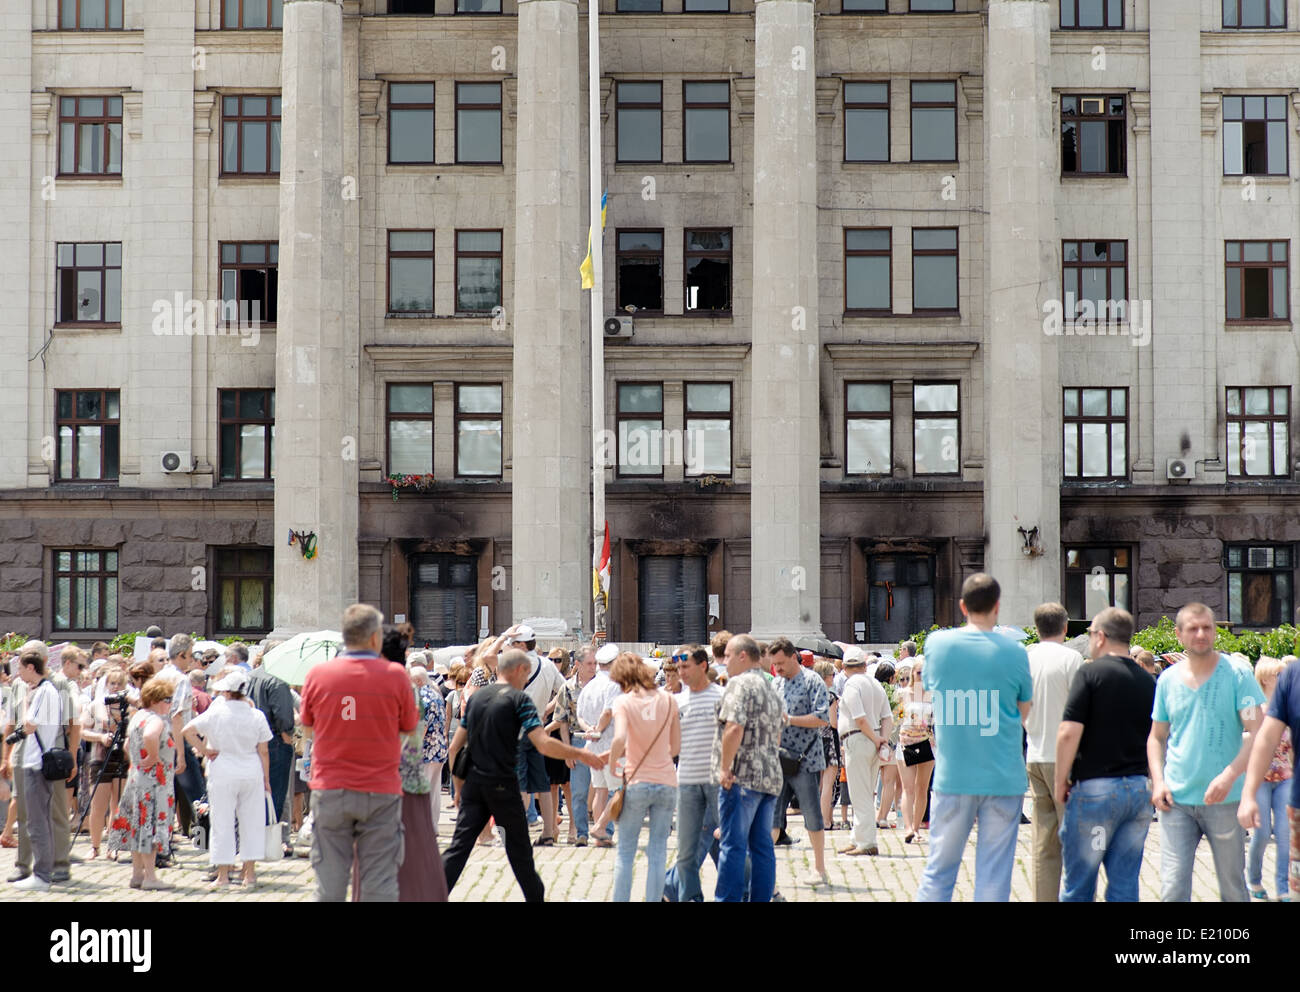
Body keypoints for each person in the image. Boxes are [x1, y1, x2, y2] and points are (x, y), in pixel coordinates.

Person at [442, 649, 606, 902]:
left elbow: (455, 747)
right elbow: (542, 743)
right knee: (520, 854)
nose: (527, 679)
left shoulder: (476, 698)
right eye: (527, 673)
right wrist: (581, 754)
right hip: (503, 786)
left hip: (474, 784)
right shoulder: (520, 700)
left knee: (458, 849)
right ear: (518, 670)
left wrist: (459, 788)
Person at [916, 573, 1033, 902]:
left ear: (962, 606)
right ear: (998, 606)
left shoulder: (938, 645)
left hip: (954, 776)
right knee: (994, 876)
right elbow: (1024, 710)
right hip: (1002, 775)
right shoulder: (1015, 651)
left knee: (939, 870)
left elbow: (929, 689)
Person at [300, 603, 418, 902]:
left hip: (330, 787)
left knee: (329, 883)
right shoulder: (395, 676)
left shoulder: (318, 674)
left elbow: (309, 728)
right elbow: (408, 728)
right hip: (380, 788)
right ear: (375, 637)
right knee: (380, 882)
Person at [1148, 603, 1263, 902]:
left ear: (1215, 631)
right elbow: (1156, 737)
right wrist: (1158, 782)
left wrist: (1229, 775)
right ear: (1179, 635)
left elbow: (1257, 732)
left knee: (1233, 889)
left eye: (1207, 627)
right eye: (1193, 628)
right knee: (1172, 890)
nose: (1201, 634)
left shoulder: (1238, 675)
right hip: (1176, 802)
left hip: (1226, 800)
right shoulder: (1167, 680)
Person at [1053, 607, 1155, 902]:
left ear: (1100, 636)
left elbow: (1068, 732)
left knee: (1080, 884)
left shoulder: (1090, 673)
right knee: (1125, 884)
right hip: (1137, 791)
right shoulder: (1148, 682)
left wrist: (1061, 779)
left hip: (1096, 789)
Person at [183, 668, 272, 889]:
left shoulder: (217, 712)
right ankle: (249, 874)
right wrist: (266, 779)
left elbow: (187, 730)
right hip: (250, 768)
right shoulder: (256, 715)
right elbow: (264, 751)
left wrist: (204, 750)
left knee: (222, 822)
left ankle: (223, 875)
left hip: (223, 768)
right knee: (251, 822)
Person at [713, 634, 784, 902]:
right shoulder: (770, 686)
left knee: (732, 845)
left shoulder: (739, 685)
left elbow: (733, 727)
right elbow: (778, 733)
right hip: (769, 776)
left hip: (742, 776)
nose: (724, 661)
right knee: (763, 848)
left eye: (728, 656)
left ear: (743, 656)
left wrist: (724, 768)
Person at [1024, 601, 1084, 902]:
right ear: (1065, 626)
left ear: (1036, 629)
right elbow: (1082, 710)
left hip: (1034, 753)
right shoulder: (1072, 659)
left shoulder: (1025, 659)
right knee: (1074, 839)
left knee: (1044, 843)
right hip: (1066, 757)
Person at [608, 653, 680, 901]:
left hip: (637, 780)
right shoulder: (669, 700)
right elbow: (676, 746)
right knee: (658, 851)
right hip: (667, 780)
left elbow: (618, 739)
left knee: (626, 851)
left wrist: (612, 764)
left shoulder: (624, 702)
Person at [663, 644, 725, 902]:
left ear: (703, 665)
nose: (681, 672)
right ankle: (688, 896)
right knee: (688, 849)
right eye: (678, 668)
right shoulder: (677, 701)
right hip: (687, 781)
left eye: (686, 666)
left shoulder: (722, 697)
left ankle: (746, 892)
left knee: (726, 844)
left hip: (717, 782)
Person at [769, 636, 831, 886]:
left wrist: (790, 720)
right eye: (775, 664)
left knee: (812, 814)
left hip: (805, 760)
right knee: (772, 816)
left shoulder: (812, 680)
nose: (779, 668)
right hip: (779, 758)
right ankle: (766, 874)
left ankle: (819, 868)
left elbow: (822, 718)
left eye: (782, 663)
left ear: (794, 657)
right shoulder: (776, 683)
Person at [106, 676, 178, 891]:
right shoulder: (155, 719)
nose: (170, 703)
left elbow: (127, 745)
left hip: (137, 778)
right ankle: (150, 877)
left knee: (137, 826)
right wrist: (154, 756)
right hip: (154, 782)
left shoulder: (137, 716)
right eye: (167, 699)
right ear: (156, 699)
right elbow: (150, 735)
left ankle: (137, 874)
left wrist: (138, 760)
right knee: (150, 826)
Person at [1239, 654, 1300, 902]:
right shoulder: (1258, 710)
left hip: (1286, 777)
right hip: (1262, 780)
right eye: (1277, 675)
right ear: (1264, 678)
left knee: (1285, 835)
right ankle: (1253, 878)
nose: (1281, 678)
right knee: (1262, 834)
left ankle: (1283, 888)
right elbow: (1250, 740)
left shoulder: (1289, 704)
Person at [9, 650, 66, 891]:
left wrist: (25, 704)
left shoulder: (44, 691)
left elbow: (29, 725)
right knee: (38, 818)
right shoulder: (45, 690)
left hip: (37, 763)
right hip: (36, 762)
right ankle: (43, 872)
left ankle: (42, 875)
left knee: (37, 821)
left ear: (31, 668)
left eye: (20, 669)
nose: (18, 675)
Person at [836, 652, 892, 857]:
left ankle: (867, 841)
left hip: (858, 739)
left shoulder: (852, 685)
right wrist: (882, 739)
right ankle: (857, 838)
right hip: (874, 739)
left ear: (845, 667)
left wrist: (875, 738)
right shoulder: (876, 684)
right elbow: (888, 718)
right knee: (866, 791)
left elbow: (859, 718)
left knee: (859, 793)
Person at [246, 650, 297, 851]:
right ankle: (268, 841)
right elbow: (284, 718)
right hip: (274, 742)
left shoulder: (250, 676)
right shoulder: (278, 681)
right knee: (274, 793)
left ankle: (253, 839)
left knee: (254, 794)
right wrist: (287, 740)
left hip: (251, 742)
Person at [159, 634, 204, 842]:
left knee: (165, 796)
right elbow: (177, 716)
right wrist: (181, 753)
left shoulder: (159, 675)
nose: (192, 660)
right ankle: (204, 840)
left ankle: (163, 842)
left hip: (159, 741)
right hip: (176, 741)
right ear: (182, 655)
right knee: (199, 796)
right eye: (190, 656)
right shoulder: (181, 679)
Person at [80, 667, 129, 860]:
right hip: (100, 756)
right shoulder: (96, 705)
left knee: (118, 803)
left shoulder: (128, 706)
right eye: (112, 683)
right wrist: (100, 736)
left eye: (119, 683)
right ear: (106, 684)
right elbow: (83, 730)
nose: (115, 687)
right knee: (98, 804)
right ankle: (95, 846)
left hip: (122, 757)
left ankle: (114, 845)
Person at [577, 642, 622, 847]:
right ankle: (601, 827)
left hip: (593, 745)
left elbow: (580, 716)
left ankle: (601, 835)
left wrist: (589, 730)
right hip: (610, 744)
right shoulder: (613, 684)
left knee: (600, 790)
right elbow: (608, 711)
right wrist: (599, 730)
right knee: (620, 790)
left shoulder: (590, 685)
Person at [557, 645, 597, 845]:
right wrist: (567, 750)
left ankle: (604, 831)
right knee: (579, 790)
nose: (593, 667)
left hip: (600, 738)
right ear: (578, 665)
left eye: (595, 663)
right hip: (578, 739)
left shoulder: (603, 685)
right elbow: (562, 720)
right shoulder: (567, 688)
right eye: (589, 663)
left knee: (605, 788)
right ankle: (582, 832)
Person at [897, 657, 935, 843]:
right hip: (907, 741)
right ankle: (908, 827)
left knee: (922, 788)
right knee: (908, 787)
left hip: (926, 741)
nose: (922, 676)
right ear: (913, 673)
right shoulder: (903, 693)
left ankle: (917, 827)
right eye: (919, 673)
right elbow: (896, 717)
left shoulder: (933, 694)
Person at [812, 661, 842, 836]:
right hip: (829, 740)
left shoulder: (812, 693)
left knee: (819, 784)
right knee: (828, 784)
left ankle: (819, 819)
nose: (833, 677)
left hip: (815, 741)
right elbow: (834, 723)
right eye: (832, 674)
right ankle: (825, 820)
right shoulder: (830, 696)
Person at [874, 660, 904, 831]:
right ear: (892, 678)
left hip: (872, 739)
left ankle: (868, 816)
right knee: (888, 782)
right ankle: (882, 817)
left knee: (870, 782)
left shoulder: (873, 691)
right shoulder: (895, 695)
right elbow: (899, 718)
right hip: (890, 741)